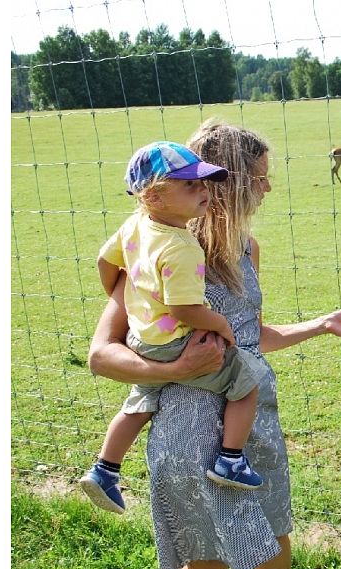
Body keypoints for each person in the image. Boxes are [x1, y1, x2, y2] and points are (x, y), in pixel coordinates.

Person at [88, 119, 341, 569]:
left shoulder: (247, 248)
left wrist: (322, 325)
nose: (268, 188)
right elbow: (101, 355)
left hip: (251, 419)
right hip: (192, 427)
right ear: (232, 181)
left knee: (272, 520)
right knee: (206, 558)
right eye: (260, 177)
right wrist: (172, 371)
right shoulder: (160, 249)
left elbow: (251, 336)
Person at [79, 141, 272, 516]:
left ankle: (105, 469)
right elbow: (184, 307)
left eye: (204, 183)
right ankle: (230, 459)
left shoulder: (135, 224)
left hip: (142, 338)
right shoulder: (182, 245)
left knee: (138, 404)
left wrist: (131, 297)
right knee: (246, 384)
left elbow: (105, 262)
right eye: (190, 185)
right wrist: (222, 324)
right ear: (154, 195)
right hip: (174, 341)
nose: (203, 191)